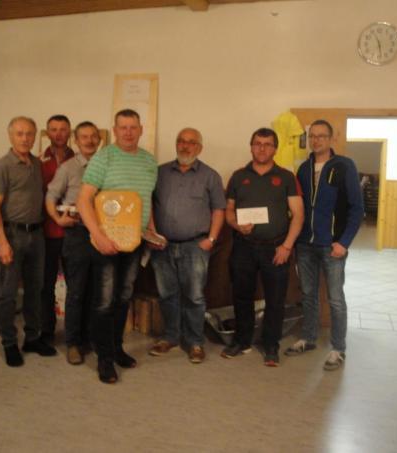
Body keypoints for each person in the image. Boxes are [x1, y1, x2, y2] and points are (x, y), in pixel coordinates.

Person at [77, 109, 158, 383]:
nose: (128, 132)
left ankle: (116, 348)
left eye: (133, 127)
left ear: (141, 129)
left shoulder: (149, 161)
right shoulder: (104, 157)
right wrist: (98, 235)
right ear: (114, 130)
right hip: (105, 242)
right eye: (123, 127)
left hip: (134, 242)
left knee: (124, 296)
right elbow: (83, 200)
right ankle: (104, 359)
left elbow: (146, 199)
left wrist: (151, 229)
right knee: (104, 301)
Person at [221, 127, 304, 367]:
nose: (262, 148)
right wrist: (236, 225)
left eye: (267, 144)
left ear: (275, 149)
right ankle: (241, 341)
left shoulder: (286, 177)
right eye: (258, 143)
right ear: (251, 147)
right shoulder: (238, 176)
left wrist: (287, 246)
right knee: (241, 296)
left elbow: (298, 215)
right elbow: (229, 210)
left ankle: (271, 345)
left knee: (275, 300)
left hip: (276, 248)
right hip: (243, 247)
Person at [286, 119, 363, 371]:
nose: (316, 140)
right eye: (313, 136)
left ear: (331, 139)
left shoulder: (344, 166)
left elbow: (357, 209)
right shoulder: (303, 169)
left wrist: (344, 242)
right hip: (305, 245)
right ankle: (308, 338)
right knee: (308, 295)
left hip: (332, 246)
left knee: (335, 298)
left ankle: (338, 348)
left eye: (321, 136)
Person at [148, 128, 226, 364]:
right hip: (162, 246)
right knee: (167, 294)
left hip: (195, 246)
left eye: (191, 142)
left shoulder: (210, 176)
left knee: (194, 297)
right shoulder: (159, 172)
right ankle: (171, 337)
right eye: (181, 141)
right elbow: (147, 203)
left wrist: (211, 239)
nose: (185, 146)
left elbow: (219, 210)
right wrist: (152, 233)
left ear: (199, 148)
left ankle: (194, 342)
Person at [0, 116, 57, 367]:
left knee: (35, 290)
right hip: (12, 235)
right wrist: (3, 243)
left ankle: (32, 338)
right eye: (19, 133)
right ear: (10, 136)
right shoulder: (2, 167)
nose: (25, 138)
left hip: (37, 235)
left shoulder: (37, 164)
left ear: (35, 135)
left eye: (29, 133)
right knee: (8, 293)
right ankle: (9, 342)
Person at [44, 121, 101, 365]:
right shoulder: (68, 168)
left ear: (99, 140)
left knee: (95, 291)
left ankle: (90, 339)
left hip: (102, 234)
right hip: (77, 235)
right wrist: (58, 219)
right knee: (76, 292)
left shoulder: (106, 165)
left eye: (93, 136)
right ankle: (73, 344)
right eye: (84, 137)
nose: (89, 140)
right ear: (76, 141)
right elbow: (51, 196)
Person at [40, 115, 75, 345]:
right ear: (47, 132)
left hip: (74, 232)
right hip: (48, 232)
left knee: (76, 286)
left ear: (69, 132)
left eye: (63, 129)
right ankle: (46, 332)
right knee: (46, 285)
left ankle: (75, 335)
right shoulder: (39, 161)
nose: (59, 134)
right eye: (54, 129)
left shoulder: (79, 160)